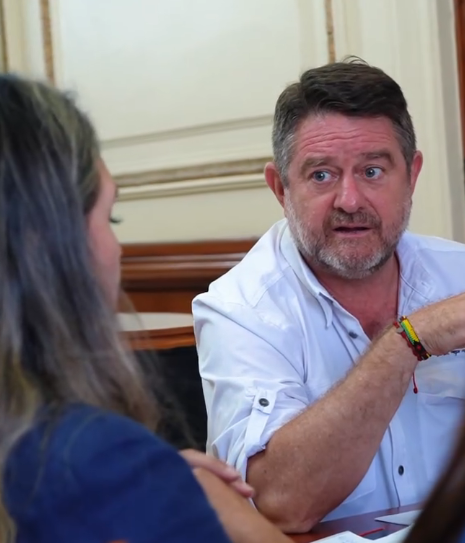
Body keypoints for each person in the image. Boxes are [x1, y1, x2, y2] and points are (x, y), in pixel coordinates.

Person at [0, 74, 292, 543]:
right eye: (109, 217)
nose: (116, 248)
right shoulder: (95, 461)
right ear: (50, 244)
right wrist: (181, 493)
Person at [193, 58, 465, 533]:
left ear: (412, 175)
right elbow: (281, 503)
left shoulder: (458, 273)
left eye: (373, 171)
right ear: (280, 188)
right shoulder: (239, 311)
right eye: (321, 175)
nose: (350, 200)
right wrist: (408, 340)